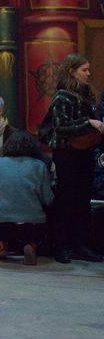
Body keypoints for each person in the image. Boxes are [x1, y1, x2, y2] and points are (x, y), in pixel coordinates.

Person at [40, 53, 104, 264]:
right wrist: (89, 123)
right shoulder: (62, 97)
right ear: (71, 71)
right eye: (84, 70)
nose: (88, 73)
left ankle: (81, 244)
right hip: (66, 153)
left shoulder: (87, 96)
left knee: (82, 199)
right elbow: (62, 127)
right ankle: (62, 246)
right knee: (66, 198)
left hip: (84, 152)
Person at [0, 131, 54, 265]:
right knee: (38, 221)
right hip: (32, 221)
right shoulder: (39, 166)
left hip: (3, 219)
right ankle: (31, 245)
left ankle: (2, 245)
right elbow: (47, 198)